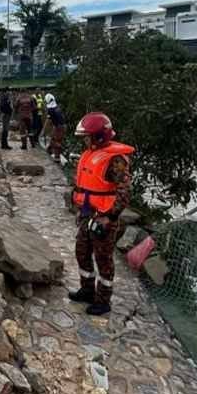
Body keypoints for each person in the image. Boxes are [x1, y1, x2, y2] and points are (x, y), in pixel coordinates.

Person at [68, 112, 134, 316]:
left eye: (87, 136)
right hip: (88, 214)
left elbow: (124, 192)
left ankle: (103, 299)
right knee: (82, 252)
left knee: (103, 258)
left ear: (99, 136)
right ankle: (87, 290)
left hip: (104, 218)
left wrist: (110, 217)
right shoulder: (90, 154)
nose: (85, 140)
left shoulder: (116, 161)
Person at [45, 93, 66, 161]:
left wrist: (44, 131)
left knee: (55, 141)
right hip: (62, 126)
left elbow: (48, 121)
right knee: (55, 140)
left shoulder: (50, 110)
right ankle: (50, 151)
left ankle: (59, 153)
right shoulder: (57, 108)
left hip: (58, 127)